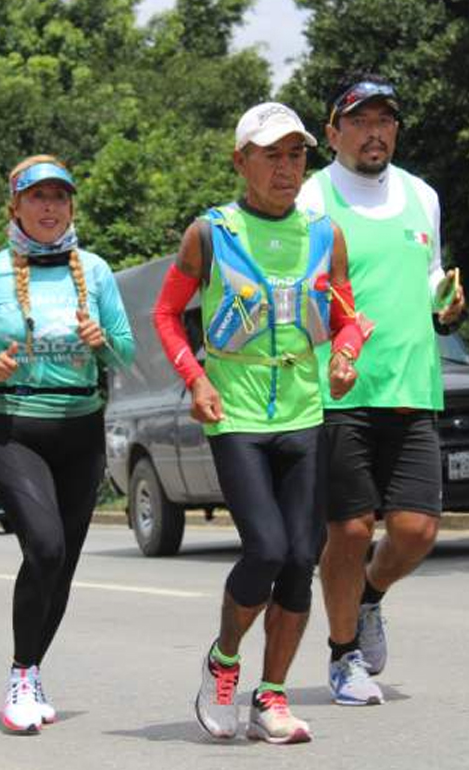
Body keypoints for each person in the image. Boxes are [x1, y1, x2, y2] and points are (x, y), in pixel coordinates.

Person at [154, 102, 366, 744]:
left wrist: (348, 354)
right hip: (237, 412)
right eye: (271, 154)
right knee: (267, 549)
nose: (286, 167)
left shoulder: (324, 234)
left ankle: (271, 697)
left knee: (302, 557)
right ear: (240, 160)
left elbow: (346, 317)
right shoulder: (211, 233)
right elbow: (166, 315)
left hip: (303, 409)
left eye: (296, 154)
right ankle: (224, 662)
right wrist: (195, 379)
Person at [0, 155, 135, 734]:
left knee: (63, 566)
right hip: (13, 429)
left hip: (81, 429)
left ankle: (33, 670)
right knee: (43, 547)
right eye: (37, 197)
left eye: (59, 198)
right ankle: (20, 675)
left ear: (71, 207)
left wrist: (103, 342)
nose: (49, 208)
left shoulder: (94, 271)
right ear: (15, 207)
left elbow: (126, 349)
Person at [295, 73, 465, 706]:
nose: (375, 132)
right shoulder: (312, 197)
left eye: (385, 120)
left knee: (417, 530)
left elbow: (425, 281)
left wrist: (444, 301)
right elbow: (304, 293)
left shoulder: (423, 195)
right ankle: (343, 657)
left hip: (413, 388)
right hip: (339, 390)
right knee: (349, 531)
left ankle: (369, 598)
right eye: (360, 121)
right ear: (334, 132)